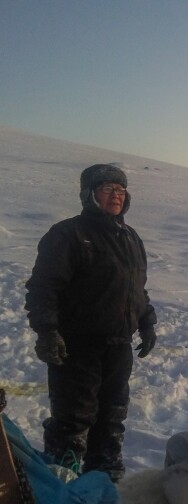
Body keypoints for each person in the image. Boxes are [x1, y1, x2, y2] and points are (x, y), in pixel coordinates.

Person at [25, 163, 157, 483]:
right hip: (77, 344)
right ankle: (61, 478)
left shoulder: (129, 237)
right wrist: (47, 331)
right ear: (89, 195)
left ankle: (104, 476)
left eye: (121, 190)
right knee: (74, 418)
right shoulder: (68, 234)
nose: (115, 196)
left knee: (112, 416)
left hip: (118, 345)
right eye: (107, 189)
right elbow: (44, 287)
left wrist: (146, 321)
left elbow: (134, 288)